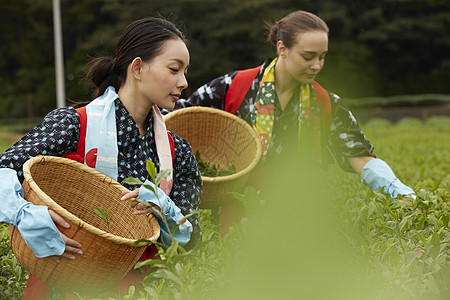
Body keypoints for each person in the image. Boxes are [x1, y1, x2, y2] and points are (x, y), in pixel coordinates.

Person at [0, 17, 202, 298]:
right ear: (138, 68)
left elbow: (193, 240)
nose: (183, 82)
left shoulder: (178, 153)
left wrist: (164, 209)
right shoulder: (73, 124)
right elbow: (5, 168)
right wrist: (25, 214)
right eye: (174, 69)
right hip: (60, 282)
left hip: (137, 291)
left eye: (185, 71)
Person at [171, 10, 415, 200]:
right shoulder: (234, 86)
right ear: (282, 48)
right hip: (234, 209)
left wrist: (399, 190)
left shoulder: (325, 103)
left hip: (297, 212)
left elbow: (359, 156)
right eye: (308, 57)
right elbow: (182, 116)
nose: (317, 66)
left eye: (322, 57)